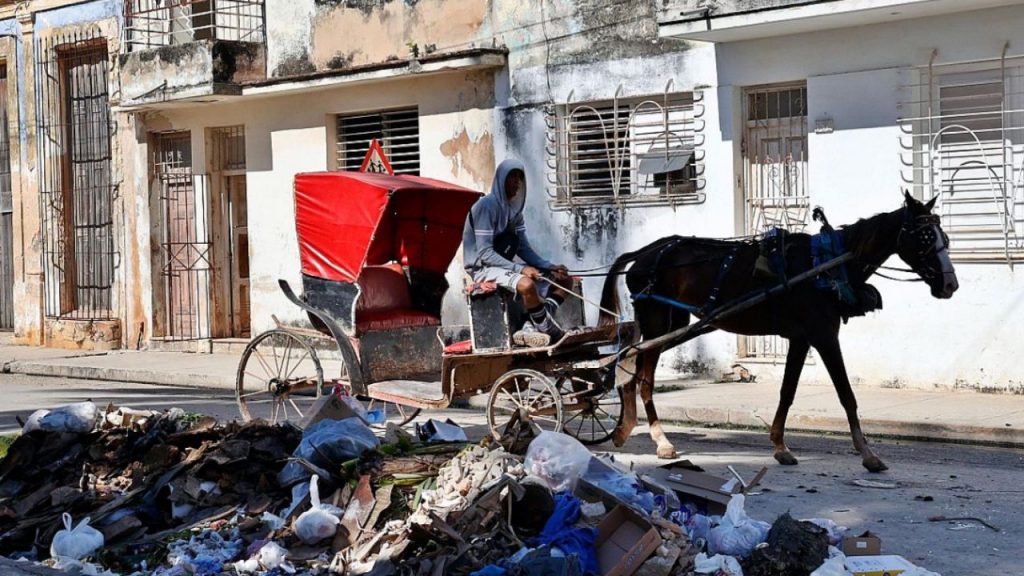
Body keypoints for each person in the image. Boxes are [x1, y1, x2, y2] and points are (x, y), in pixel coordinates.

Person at [462, 159, 571, 343]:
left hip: (503, 265)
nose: (516, 182)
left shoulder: (515, 212)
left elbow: (523, 248)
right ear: (500, 180)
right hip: (482, 268)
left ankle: (531, 322)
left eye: (519, 178)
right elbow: (485, 253)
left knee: (565, 280)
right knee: (526, 285)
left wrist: (549, 266)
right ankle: (546, 328)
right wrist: (520, 270)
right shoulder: (485, 207)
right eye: (511, 177)